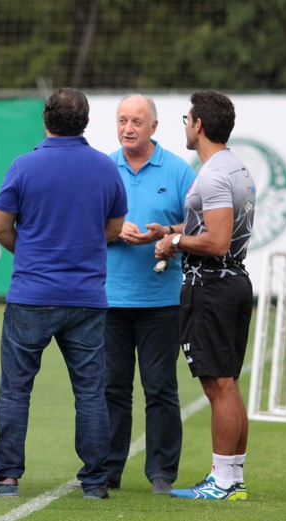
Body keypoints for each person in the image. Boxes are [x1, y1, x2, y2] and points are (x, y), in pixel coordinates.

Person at [0, 87, 128, 500]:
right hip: (87, 298)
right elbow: (114, 228)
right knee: (91, 393)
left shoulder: (24, 166)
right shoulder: (105, 168)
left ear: (46, 120)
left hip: (31, 294)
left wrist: (28, 253)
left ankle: (6, 478)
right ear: (87, 122)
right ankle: (95, 482)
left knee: (15, 391)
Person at [155, 90, 255, 501]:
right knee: (227, 384)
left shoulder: (213, 174)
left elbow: (216, 241)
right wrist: (168, 232)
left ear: (198, 125)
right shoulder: (233, 166)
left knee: (219, 386)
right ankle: (232, 477)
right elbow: (212, 227)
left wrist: (175, 241)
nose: (184, 124)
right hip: (230, 281)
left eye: (186, 117)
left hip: (212, 284)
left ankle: (224, 482)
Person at [103, 94, 196, 494]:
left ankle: (161, 474)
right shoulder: (104, 167)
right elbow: (84, 220)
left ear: (154, 127)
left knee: (160, 388)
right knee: (111, 389)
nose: (128, 128)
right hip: (108, 299)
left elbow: (200, 228)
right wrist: (111, 229)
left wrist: (168, 236)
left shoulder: (179, 170)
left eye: (137, 121)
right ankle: (106, 472)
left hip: (161, 299)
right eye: (123, 120)